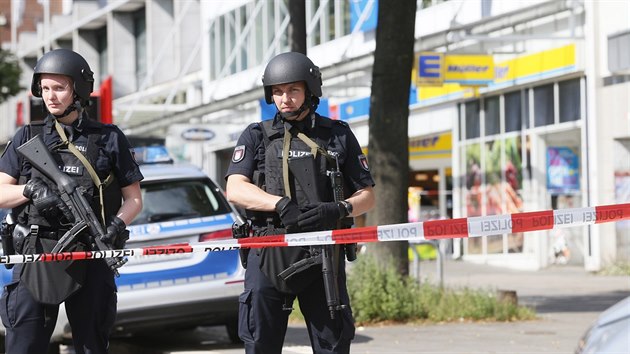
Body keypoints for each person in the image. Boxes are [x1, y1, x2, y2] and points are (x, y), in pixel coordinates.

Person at [226, 52, 375, 354]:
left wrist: (339, 208)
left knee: (332, 345)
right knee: (260, 345)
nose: (285, 99)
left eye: (293, 90)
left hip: (324, 254)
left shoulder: (337, 135)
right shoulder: (257, 135)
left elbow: (368, 195)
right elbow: (235, 189)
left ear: (310, 90)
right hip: (270, 251)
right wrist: (279, 205)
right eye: (278, 92)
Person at [0, 49, 143, 354]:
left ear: (78, 90)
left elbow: (134, 198)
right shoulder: (28, 136)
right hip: (36, 254)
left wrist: (117, 224)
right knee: (24, 346)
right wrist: (30, 191)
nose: (50, 97)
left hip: (91, 254)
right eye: (45, 88)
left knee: (91, 346)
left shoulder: (108, 138)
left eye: (59, 88)